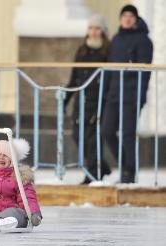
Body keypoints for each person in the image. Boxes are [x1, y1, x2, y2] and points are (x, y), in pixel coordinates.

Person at [102, 4, 153, 183]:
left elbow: (144, 70)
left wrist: (141, 95)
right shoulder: (116, 39)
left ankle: (129, 174)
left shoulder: (143, 40)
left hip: (132, 95)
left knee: (128, 134)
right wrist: (106, 92)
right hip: (114, 94)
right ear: (120, 18)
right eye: (124, 15)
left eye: (131, 16)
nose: (127, 18)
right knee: (107, 131)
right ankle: (126, 166)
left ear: (136, 19)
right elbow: (109, 68)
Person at [65, 14, 111, 184]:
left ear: (103, 31)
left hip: (98, 100)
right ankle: (100, 166)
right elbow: (74, 77)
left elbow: (110, 78)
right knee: (78, 135)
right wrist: (66, 99)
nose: (93, 32)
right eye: (91, 28)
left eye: (97, 28)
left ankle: (93, 173)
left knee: (92, 138)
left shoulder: (107, 50)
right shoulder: (82, 50)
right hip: (81, 100)